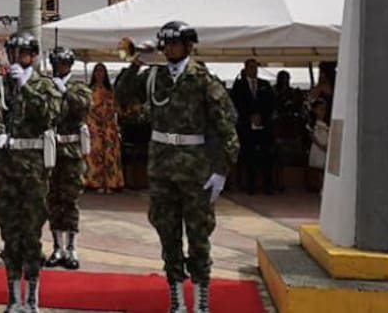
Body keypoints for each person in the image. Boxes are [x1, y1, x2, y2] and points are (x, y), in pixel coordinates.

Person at [115, 22, 239, 313]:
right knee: (167, 232)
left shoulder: (203, 80)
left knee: (198, 235)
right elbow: (121, 94)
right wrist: (138, 61)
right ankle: (177, 299)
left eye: (174, 43)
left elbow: (227, 130)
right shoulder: (154, 77)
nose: (168, 49)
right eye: (165, 44)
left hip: (195, 169)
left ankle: (201, 300)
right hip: (162, 168)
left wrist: (221, 171)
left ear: (188, 46)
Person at [0, 32, 60, 313]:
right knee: (9, 231)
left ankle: (32, 298)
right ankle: (14, 297)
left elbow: (50, 113)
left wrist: (25, 86)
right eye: (13, 53)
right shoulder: (0, 84)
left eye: (23, 53)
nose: (17, 58)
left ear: (33, 56)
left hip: (33, 169)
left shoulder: (44, 84)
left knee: (31, 231)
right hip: (7, 167)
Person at [44, 46, 91, 270]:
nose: (59, 67)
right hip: (52, 150)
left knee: (70, 200)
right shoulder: (47, 86)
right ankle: (57, 247)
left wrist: (65, 92)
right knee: (53, 199)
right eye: (56, 63)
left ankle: (71, 248)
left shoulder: (78, 86)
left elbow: (84, 106)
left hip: (71, 151)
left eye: (62, 64)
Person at [230, 59, 276, 194]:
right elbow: (236, 104)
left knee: (266, 155)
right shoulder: (239, 85)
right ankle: (251, 184)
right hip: (247, 126)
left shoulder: (264, 84)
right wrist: (250, 116)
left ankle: (268, 185)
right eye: (251, 67)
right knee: (249, 155)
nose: (254, 70)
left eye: (255, 67)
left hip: (263, 125)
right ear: (246, 69)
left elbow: (271, 103)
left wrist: (262, 116)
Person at [85, 63, 124, 194]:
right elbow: (88, 108)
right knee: (95, 153)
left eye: (102, 71)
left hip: (109, 126)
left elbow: (116, 107)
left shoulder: (110, 91)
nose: (99, 74)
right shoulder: (89, 90)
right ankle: (95, 183)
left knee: (109, 153)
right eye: (97, 71)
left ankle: (111, 183)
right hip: (94, 126)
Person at [306, 97, 331, 194]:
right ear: (315, 110)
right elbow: (312, 136)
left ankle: (324, 187)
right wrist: (320, 145)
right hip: (318, 147)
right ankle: (320, 187)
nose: (323, 112)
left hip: (326, 147)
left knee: (324, 168)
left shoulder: (326, 123)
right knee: (318, 169)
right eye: (320, 109)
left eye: (324, 110)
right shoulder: (312, 123)